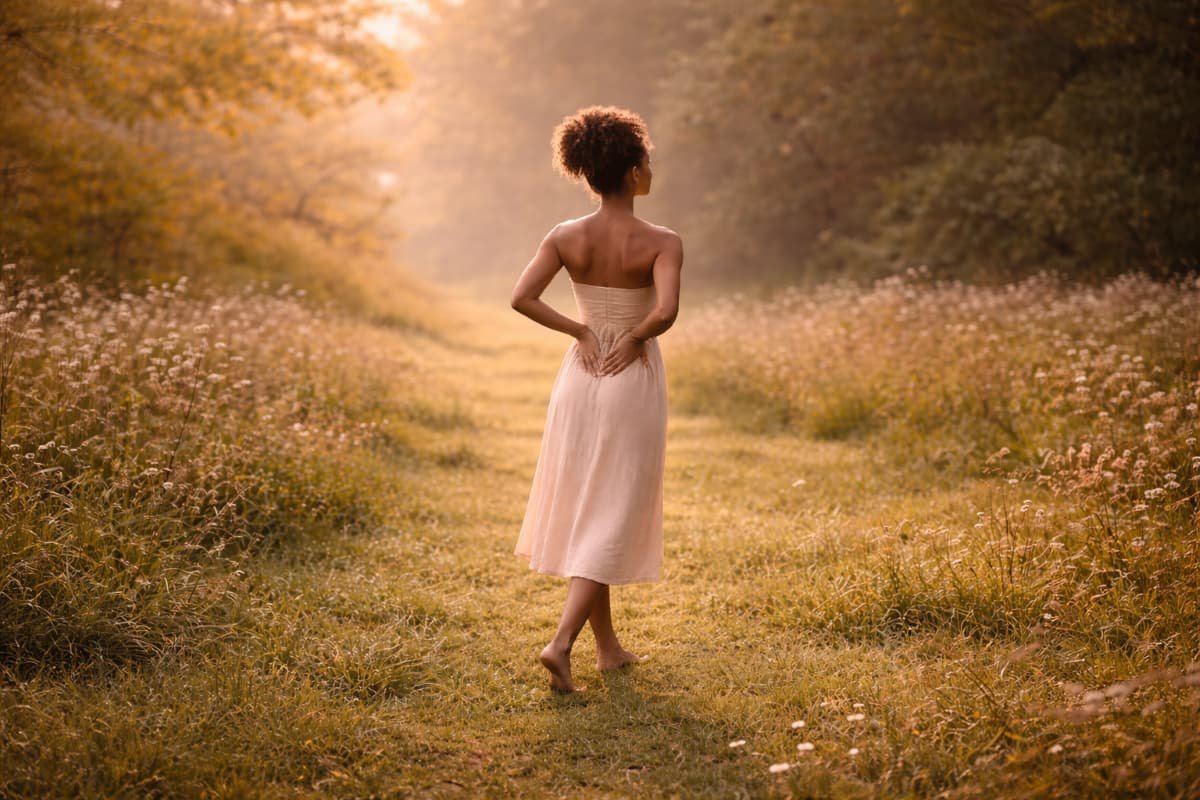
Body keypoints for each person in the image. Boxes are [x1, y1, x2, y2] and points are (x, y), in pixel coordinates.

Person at [510, 105, 683, 694]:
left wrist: (582, 332)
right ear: (633, 171)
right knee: (610, 510)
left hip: (580, 378)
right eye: (647, 161)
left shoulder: (565, 235)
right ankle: (560, 644)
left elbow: (523, 298)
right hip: (630, 376)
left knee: (593, 504)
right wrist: (632, 338)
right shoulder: (662, 241)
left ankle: (608, 649)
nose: (651, 169)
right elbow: (666, 312)